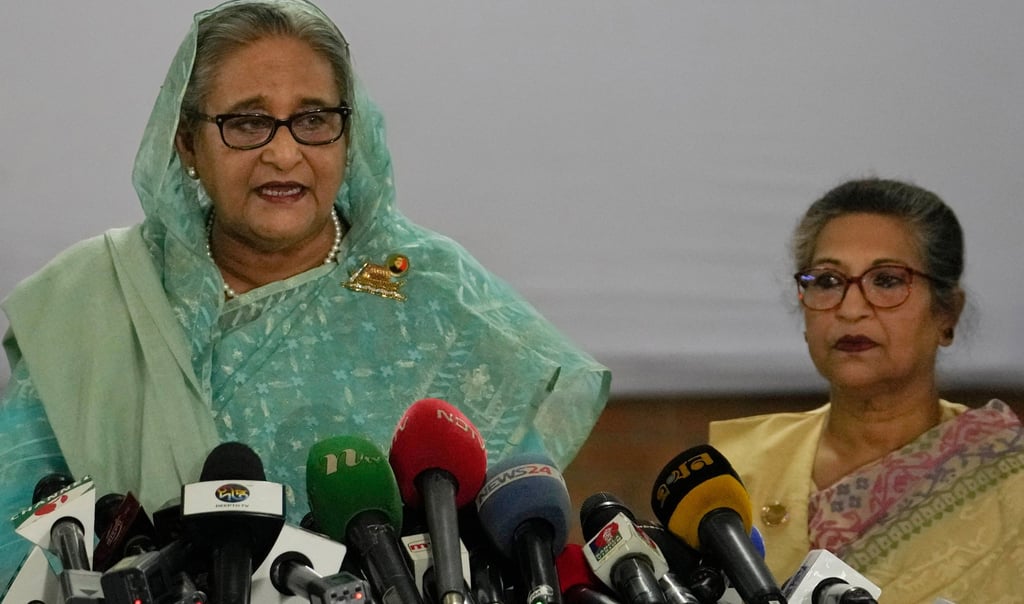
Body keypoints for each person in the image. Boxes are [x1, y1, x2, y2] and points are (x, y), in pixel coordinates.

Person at [0, 0, 610, 590]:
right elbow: (15, 546)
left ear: (351, 134)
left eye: (314, 119)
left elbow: (519, 531)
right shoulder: (91, 299)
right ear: (187, 143)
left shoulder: (438, 295)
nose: (285, 152)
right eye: (247, 121)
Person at [709, 178, 1024, 603]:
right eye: (827, 281)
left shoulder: (1008, 484)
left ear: (947, 313)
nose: (851, 309)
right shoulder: (734, 473)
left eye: (888, 281)